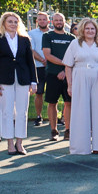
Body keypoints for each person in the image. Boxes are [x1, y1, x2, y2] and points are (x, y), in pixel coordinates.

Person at [61, 18, 98, 155]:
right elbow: (68, 66)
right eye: (87, 28)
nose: (90, 31)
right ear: (82, 30)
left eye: (92, 28)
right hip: (79, 78)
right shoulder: (74, 44)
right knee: (80, 111)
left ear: (96, 30)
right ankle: (80, 147)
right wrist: (70, 85)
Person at [0, 12, 36, 155]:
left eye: (15, 21)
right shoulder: (0, 39)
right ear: (4, 23)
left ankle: (20, 143)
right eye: (10, 21)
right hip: (4, 80)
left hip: (23, 78)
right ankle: (9, 143)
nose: (13, 24)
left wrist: (33, 81)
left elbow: (30, 62)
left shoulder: (25, 40)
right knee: (7, 111)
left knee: (22, 111)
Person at [42, 13, 75, 141]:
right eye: (56, 20)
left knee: (69, 103)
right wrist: (64, 64)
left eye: (61, 20)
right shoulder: (47, 36)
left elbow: (74, 57)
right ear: (52, 22)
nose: (59, 22)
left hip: (68, 75)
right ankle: (54, 130)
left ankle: (68, 130)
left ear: (64, 21)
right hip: (52, 74)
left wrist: (65, 70)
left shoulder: (72, 38)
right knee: (52, 103)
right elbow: (48, 55)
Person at [28, 12, 48, 127]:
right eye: (39, 19)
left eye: (44, 19)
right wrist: (42, 60)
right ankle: (39, 116)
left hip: (52, 68)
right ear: (37, 21)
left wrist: (50, 61)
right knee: (39, 92)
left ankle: (56, 118)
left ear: (48, 21)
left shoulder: (52, 33)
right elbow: (32, 49)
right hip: (38, 67)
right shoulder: (31, 34)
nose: (42, 21)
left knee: (53, 93)